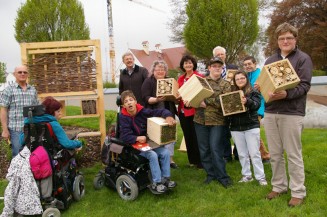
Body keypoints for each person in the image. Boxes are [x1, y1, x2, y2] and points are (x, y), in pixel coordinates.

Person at [256, 23, 312, 207]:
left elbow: (304, 86)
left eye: (289, 37)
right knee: (275, 154)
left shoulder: (303, 59)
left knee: (293, 154)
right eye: (281, 38)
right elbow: (265, 84)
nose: (285, 41)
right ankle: (279, 186)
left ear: (295, 39)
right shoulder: (270, 60)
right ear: (277, 41)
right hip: (271, 112)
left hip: (292, 112)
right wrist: (260, 86)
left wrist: (287, 94)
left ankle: (298, 191)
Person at [119, 90, 177, 194]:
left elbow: (160, 111)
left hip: (147, 143)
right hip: (133, 146)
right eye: (126, 101)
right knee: (152, 155)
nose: (129, 102)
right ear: (124, 105)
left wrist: (168, 116)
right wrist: (137, 138)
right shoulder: (123, 117)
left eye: (131, 100)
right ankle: (156, 183)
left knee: (165, 152)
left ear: (135, 101)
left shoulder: (143, 112)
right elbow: (124, 136)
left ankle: (166, 179)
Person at [192, 57, 232, 188]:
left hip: (217, 121)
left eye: (219, 66)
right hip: (200, 120)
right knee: (204, 149)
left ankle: (223, 176)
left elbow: (225, 102)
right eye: (214, 66)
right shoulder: (201, 82)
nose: (217, 68)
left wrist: (206, 102)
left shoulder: (226, 84)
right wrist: (192, 101)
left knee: (216, 149)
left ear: (222, 68)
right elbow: (193, 97)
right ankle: (210, 175)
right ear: (209, 68)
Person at [228, 71, 267, 186]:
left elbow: (256, 105)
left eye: (242, 78)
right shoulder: (231, 93)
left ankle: (261, 177)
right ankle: (247, 176)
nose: (240, 80)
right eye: (237, 79)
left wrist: (247, 101)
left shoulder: (253, 91)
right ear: (234, 81)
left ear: (246, 79)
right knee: (242, 154)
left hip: (251, 126)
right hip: (235, 127)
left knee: (254, 153)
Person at [141, 60, 178, 169]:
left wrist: (176, 97)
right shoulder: (148, 81)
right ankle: (157, 158)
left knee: (169, 135)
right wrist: (157, 99)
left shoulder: (170, 81)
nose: (160, 71)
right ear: (153, 71)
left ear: (166, 71)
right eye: (158, 69)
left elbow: (176, 98)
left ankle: (170, 159)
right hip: (154, 113)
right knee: (155, 136)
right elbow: (146, 98)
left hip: (169, 112)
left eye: (163, 69)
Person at [0, 65, 39, 157]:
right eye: (20, 72)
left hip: (31, 128)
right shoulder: (8, 90)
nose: (22, 74)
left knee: (32, 154)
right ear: (14, 74)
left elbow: (36, 109)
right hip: (16, 129)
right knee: (18, 154)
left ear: (28, 74)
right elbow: (3, 110)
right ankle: (16, 171)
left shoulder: (32, 90)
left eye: (25, 72)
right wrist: (5, 130)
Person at [212, 46, 239, 162]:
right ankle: (227, 156)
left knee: (237, 129)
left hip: (233, 102)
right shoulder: (212, 70)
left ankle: (238, 155)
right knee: (223, 132)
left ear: (225, 55)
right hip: (219, 105)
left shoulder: (234, 68)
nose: (220, 56)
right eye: (217, 55)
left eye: (222, 54)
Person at [243, 56, 270, 163]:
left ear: (255, 63)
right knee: (252, 132)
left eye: (249, 64)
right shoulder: (248, 75)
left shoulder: (259, 75)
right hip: (250, 107)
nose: (247, 66)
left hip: (257, 108)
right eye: (245, 65)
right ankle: (258, 155)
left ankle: (265, 155)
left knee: (254, 133)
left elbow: (257, 92)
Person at [177, 54, 202, 168]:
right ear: (183, 65)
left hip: (195, 111)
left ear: (193, 64)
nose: (188, 64)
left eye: (190, 62)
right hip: (182, 112)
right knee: (188, 136)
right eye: (186, 63)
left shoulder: (199, 76)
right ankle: (192, 161)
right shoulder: (180, 79)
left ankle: (201, 161)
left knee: (197, 137)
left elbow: (202, 93)